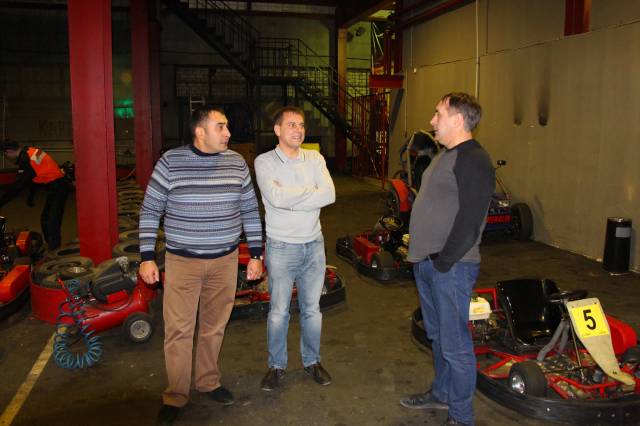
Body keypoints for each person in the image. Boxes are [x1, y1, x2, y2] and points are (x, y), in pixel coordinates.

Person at [138, 106, 263, 425]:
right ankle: (176, 394)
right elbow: (151, 209)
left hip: (225, 261)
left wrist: (257, 254)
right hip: (183, 262)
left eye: (227, 126)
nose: (228, 133)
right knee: (178, 329)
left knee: (214, 326)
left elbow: (250, 209)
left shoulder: (236, 163)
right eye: (221, 127)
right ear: (200, 131)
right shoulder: (171, 162)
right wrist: (146, 256)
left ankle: (208, 381)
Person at [400, 93, 495, 426]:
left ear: (457, 119)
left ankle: (462, 417)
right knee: (439, 337)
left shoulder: (474, 159)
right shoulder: (446, 155)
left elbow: (471, 221)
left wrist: (444, 262)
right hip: (429, 264)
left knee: (455, 345)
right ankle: (442, 394)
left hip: (451, 267)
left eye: (438, 114)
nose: (432, 121)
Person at [254, 106, 336, 391]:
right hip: (281, 247)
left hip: (314, 245)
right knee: (279, 312)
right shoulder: (264, 162)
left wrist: (289, 197)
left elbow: (329, 194)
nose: (298, 130)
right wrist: (311, 192)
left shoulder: (314, 158)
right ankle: (276, 366)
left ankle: (312, 361)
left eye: (301, 125)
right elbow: (275, 198)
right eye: (291, 125)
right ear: (277, 129)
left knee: (312, 310)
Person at [0, 141, 70, 250]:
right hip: (55, 186)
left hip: (59, 187)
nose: (7, 157)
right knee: (45, 219)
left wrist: (1, 202)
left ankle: (55, 250)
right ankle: (52, 246)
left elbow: (18, 186)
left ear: (9, 151)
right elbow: (35, 176)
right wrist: (31, 196)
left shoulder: (26, 160)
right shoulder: (31, 151)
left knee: (52, 221)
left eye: (5, 154)